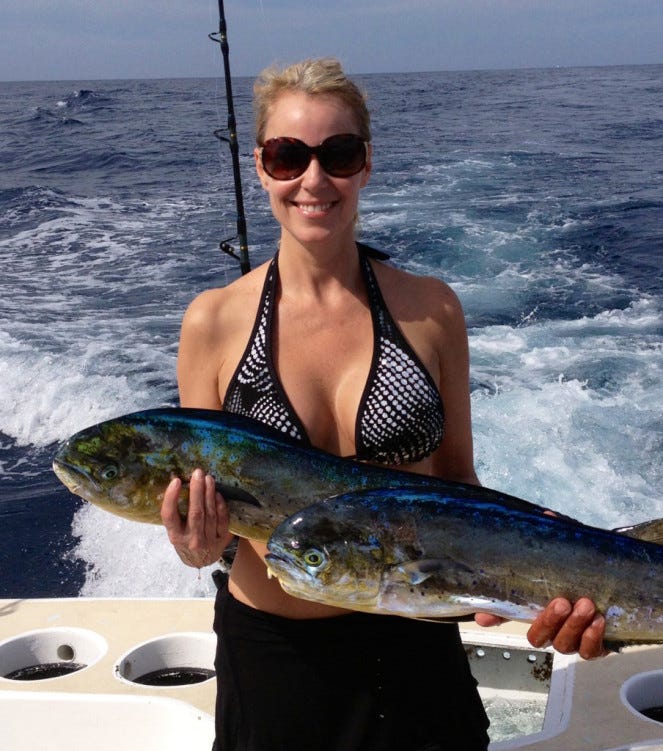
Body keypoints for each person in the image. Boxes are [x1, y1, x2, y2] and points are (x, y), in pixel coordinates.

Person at [161, 58, 606, 751]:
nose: (314, 180)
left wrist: (543, 560)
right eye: (288, 156)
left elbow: (458, 481)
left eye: (337, 154)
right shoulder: (212, 322)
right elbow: (205, 525)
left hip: (415, 655)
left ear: (365, 164)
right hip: (275, 662)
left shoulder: (431, 310)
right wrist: (195, 547)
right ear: (261, 168)